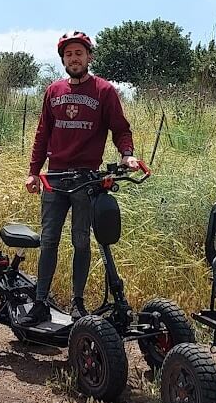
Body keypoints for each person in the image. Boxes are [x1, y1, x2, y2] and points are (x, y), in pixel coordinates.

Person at [24, 31, 140, 322]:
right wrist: (33, 172)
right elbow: (42, 134)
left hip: (86, 179)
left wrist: (127, 154)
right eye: (68, 54)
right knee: (48, 240)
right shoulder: (53, 91)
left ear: (89, 56)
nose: (74, 59)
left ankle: (77, 303)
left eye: (79, 53)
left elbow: (121, 129)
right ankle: (40, 302)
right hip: (55, 177)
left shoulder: (104, 91)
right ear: (63, 59)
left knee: (81, 242)